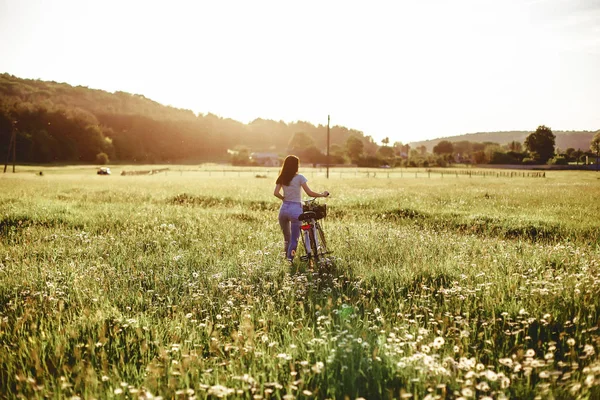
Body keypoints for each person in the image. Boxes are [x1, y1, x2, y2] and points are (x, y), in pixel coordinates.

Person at [274, 155, 329, 261]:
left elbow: (276, 193)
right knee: (294, 240)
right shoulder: (300, 178)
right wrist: (322, 195)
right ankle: (290, 260)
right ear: (296, 166)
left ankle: (286, 258)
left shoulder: (282, 177)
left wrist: (283, 198)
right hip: (295, 210)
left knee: (287, 239)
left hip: (283, 210)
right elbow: (309, 192)